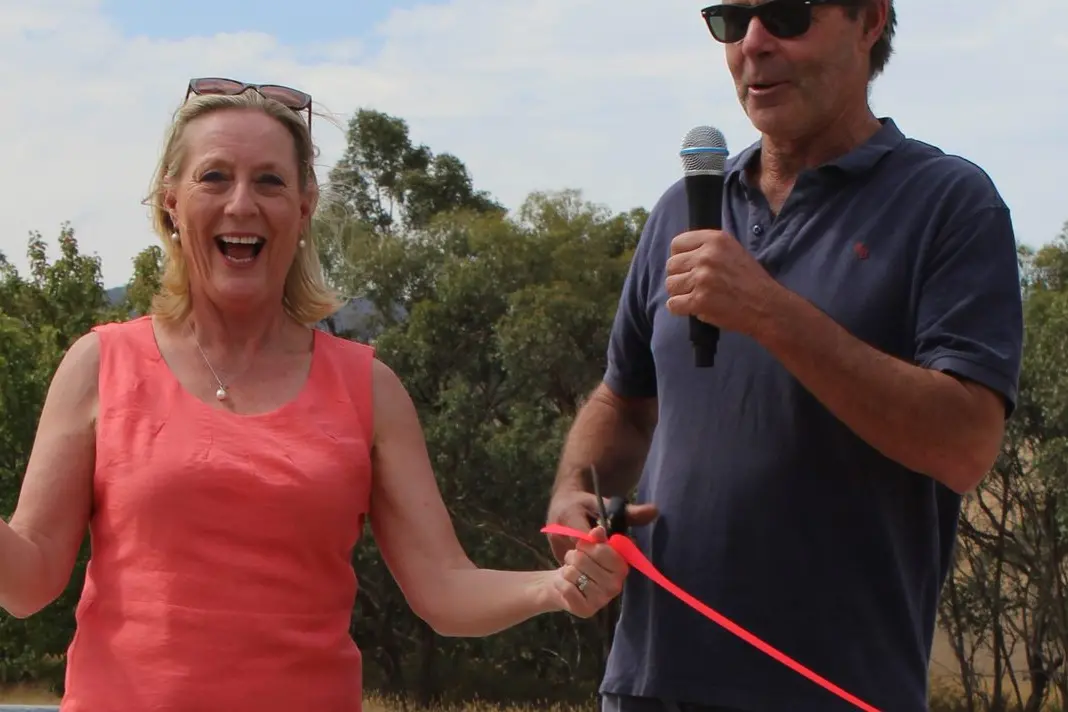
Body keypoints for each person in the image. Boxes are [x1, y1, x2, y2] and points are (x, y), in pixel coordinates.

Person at [0, 77, 629, 712]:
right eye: (214, 177)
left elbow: (444, 588)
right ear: (171, 203)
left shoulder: (369, 389)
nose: (241, 203)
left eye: (269, 181)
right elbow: (27, 583)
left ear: (304, 208)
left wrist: (556, 587)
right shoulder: (99, 364)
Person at [546, 1, 1023, 711]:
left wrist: (769, 312)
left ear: (869, 22)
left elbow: (965, 444)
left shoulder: (949, 203)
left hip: (832, 692)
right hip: (648, 685)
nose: (754, 43)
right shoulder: (682, 209)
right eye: (731, 20)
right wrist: (571, 494)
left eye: (786, 15)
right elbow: (624, 401)